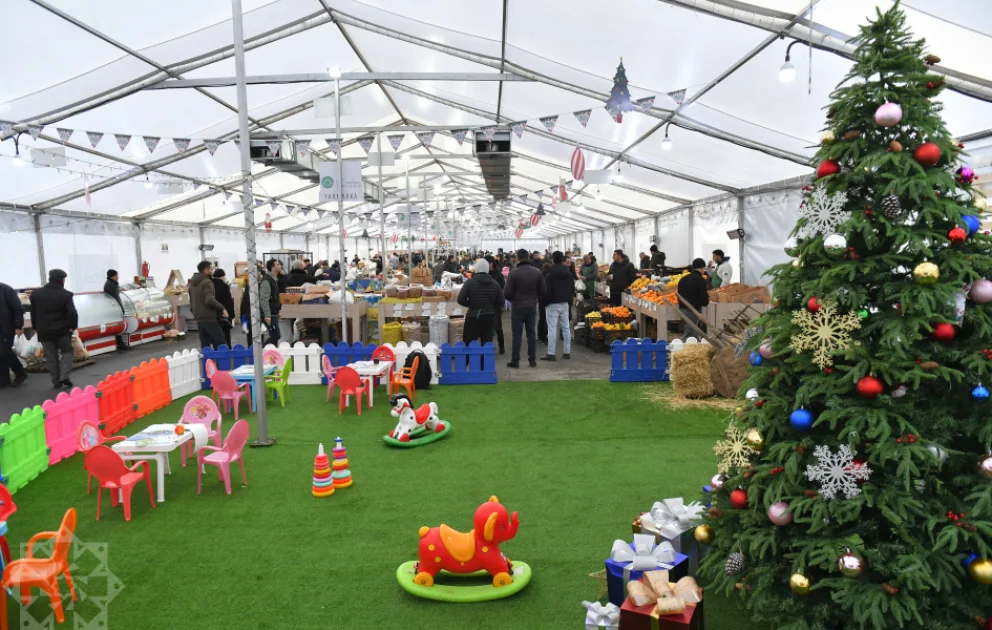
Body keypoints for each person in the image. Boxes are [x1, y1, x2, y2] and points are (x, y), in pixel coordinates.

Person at [29, 269, 78, 389]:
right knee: (67, 351)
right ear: (62, 280)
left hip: (44, 330)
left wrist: (35, 327)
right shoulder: (65, 294)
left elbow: (33, 312)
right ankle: (64, 376)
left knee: (51, 356)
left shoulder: (36, 294)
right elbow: (72, 312)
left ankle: (56, 381)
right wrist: (73, 326)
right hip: (62, 330)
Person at [503, 249, 546, 369]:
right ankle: (532, 360)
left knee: (517, 334)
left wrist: (513, 299)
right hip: (531, 306)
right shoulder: (537, 272)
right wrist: (534, 298)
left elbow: (507, 293)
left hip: (517, 307)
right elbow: (543, 291)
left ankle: (515, 360)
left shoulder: (513, 273)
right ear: (528, 257)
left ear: (517, 258)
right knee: (531, 334)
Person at [457, 259, 504, 349]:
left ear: (476, 269)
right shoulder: (495, 284)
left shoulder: (469, 282)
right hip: (489, 317)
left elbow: (460, 299)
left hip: (473, 316)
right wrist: (491, 306)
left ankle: (467, 361)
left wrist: (470, 304)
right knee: (486, 344)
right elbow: (501, 301)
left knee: (468, 343)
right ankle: (484, 362)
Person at [541, 251, 574, 361]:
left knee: (552, 329)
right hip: (565, 303)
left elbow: (546, 291)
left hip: (552, 304)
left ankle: (551, 354)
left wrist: (544, 303)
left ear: (552, 260)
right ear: (563, 260)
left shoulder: (549, 274)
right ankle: (567, 352)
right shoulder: (568, 273)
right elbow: (571, 289)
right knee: (566, 328)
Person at [190, 261, 228, 350]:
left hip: (199, 319)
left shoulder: (192, 284)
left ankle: (207, 364)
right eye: (211, 269)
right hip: (209, 318)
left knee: (205, 346)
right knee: (221, 344)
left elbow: (191, 302)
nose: (213, 271)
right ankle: (221, 364)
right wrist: (222, 309)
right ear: (206, 271)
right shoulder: (207, 282)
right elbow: (209, 299)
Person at [0, 281, 27, 389]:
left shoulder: (5, 289)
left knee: (4, 352)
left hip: (6, 328)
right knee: (1, 354)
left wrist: (18, 326)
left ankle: (20, 373)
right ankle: (4, 379)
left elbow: (18, 309)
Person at [677, 258, 710, 340]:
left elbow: (679, 293)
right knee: (689, 334)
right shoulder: (700, 280)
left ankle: (692, 346)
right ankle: (684, 351)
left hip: (682, 308)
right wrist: (705, 301)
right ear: (702, 268)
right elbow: (703, 298)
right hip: (692, 310)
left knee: (693, 331)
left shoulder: (683, 279)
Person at [258, 259, 283, 346]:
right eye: (278, 264)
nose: (280, 266)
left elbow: (275, 297)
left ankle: (271, 356)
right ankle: (261, 351)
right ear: (272, 267)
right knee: (276, 335)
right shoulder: (266, 280)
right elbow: (264, 299)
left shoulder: (274, 279)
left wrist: (278, 311)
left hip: (273, 313)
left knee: (274, 335)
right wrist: (267, 315)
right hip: (270, 314)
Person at [485, 255, 506, 354]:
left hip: (496, 304)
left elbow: (502, 289)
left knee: (498, 327)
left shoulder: (498, 275)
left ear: (491, 264)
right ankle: (487, 348)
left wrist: (501, 302)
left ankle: (502, 347)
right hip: (485, 303)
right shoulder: (484, 274)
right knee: (486, 327)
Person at [212, 269, 236, 347]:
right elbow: (229, 301)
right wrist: (232, 314)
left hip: (213, 315)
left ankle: (217, 350)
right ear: (222, 276)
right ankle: (227, 349)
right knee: (226, 335)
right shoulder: (224, 286)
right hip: (224, 314)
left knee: (216, 336)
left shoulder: (209, 285)